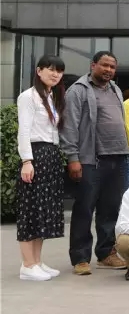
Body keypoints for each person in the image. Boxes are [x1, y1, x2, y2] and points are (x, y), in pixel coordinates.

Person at [61, 51, 128, 275]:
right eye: (104, 65)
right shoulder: (78, 90)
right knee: (84, 209)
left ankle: (106, 253)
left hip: (117, 158)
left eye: (112, 67)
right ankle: (80, 258)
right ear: (93, 65)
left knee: (110, 210)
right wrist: (73, 158)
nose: (108, 70)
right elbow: (69, 126)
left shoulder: (115, 89)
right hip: (91, 160)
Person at [16, 55, 67, 281]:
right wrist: (27, 161)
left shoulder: (51, 96)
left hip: (51, 154)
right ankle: (27, 265)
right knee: (30, 210)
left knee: (43, 211)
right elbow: (24, 131)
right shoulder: (28, 97)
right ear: (39, 71)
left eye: (59, 71)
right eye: (51, 69)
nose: (55, 74)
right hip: (36, 155)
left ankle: (36, 261)